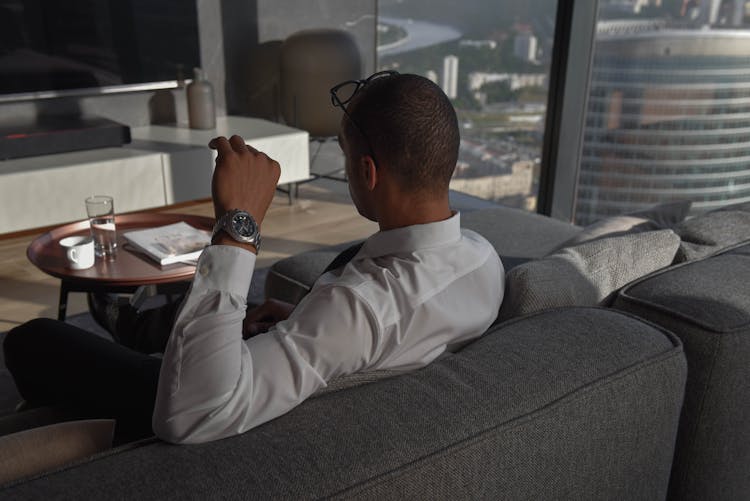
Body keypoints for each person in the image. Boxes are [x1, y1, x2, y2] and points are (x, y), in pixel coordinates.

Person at [4, 72, 504, 444]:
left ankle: (100, 368)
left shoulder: (355, 308)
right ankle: (142, 329)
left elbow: (191, 415)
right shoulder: (486, 261)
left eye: (346, 158)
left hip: (198, 398)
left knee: (34, 339)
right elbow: (391, 331)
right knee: (240, 316)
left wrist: (238, 227)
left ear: (368, 171)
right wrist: (305, 319)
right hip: (319, 358)